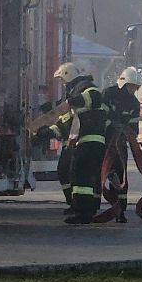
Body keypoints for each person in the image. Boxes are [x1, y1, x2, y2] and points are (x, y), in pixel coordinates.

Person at [37, 61, 112, 224]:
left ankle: (83, 213)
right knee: (78, 175)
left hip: (89, 141)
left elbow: (95, 97)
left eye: (62, 80)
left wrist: (72, 101)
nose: (62, 84)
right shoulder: (75, 92)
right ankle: (84, 209)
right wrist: (43, 133)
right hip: (85, 141)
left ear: (68, 76)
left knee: (81, 177)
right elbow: (66, 125)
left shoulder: (85, 87)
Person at [102, 67, 142, 221]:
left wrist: (128, 134)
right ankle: (90, 206)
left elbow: (134, 128)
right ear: (124, 83)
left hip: (120, 145)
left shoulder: (134, 103)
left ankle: (120, 210)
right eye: (132, 86)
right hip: (104, 142)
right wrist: (113, 126)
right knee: (99, 175)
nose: (134, 90)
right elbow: (101, 117)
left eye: (136, 87)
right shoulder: (108, 94)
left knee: (120, 177)